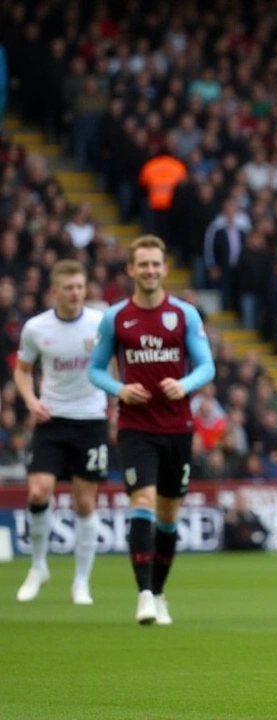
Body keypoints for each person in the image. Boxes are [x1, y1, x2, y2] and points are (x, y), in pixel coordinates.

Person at [88, 235, 216, 625]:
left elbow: (206, 366)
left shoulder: (184, 315)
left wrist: (187, 385)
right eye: (142, 264)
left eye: (156, 264)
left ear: (164, 268)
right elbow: (95, 369)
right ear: (131, 269)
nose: (150, 270)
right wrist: (120, 389)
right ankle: (143, 593)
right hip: (135, 427)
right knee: (141, 501)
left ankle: (159, 592)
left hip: (177, 426)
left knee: (168, 514)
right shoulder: (116, 318)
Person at [14, 260, 107, 605]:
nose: (76, 293)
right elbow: (22, 371)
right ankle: (38, 567)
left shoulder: (99, 323)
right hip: (52, 419)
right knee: (38, 492)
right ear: (55, 291)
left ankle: (81, 582)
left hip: (91, 421)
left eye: (80, 287)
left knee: (85, 502)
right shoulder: (37, 328)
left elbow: (115, 360)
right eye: (69, 288)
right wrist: (31, 400)